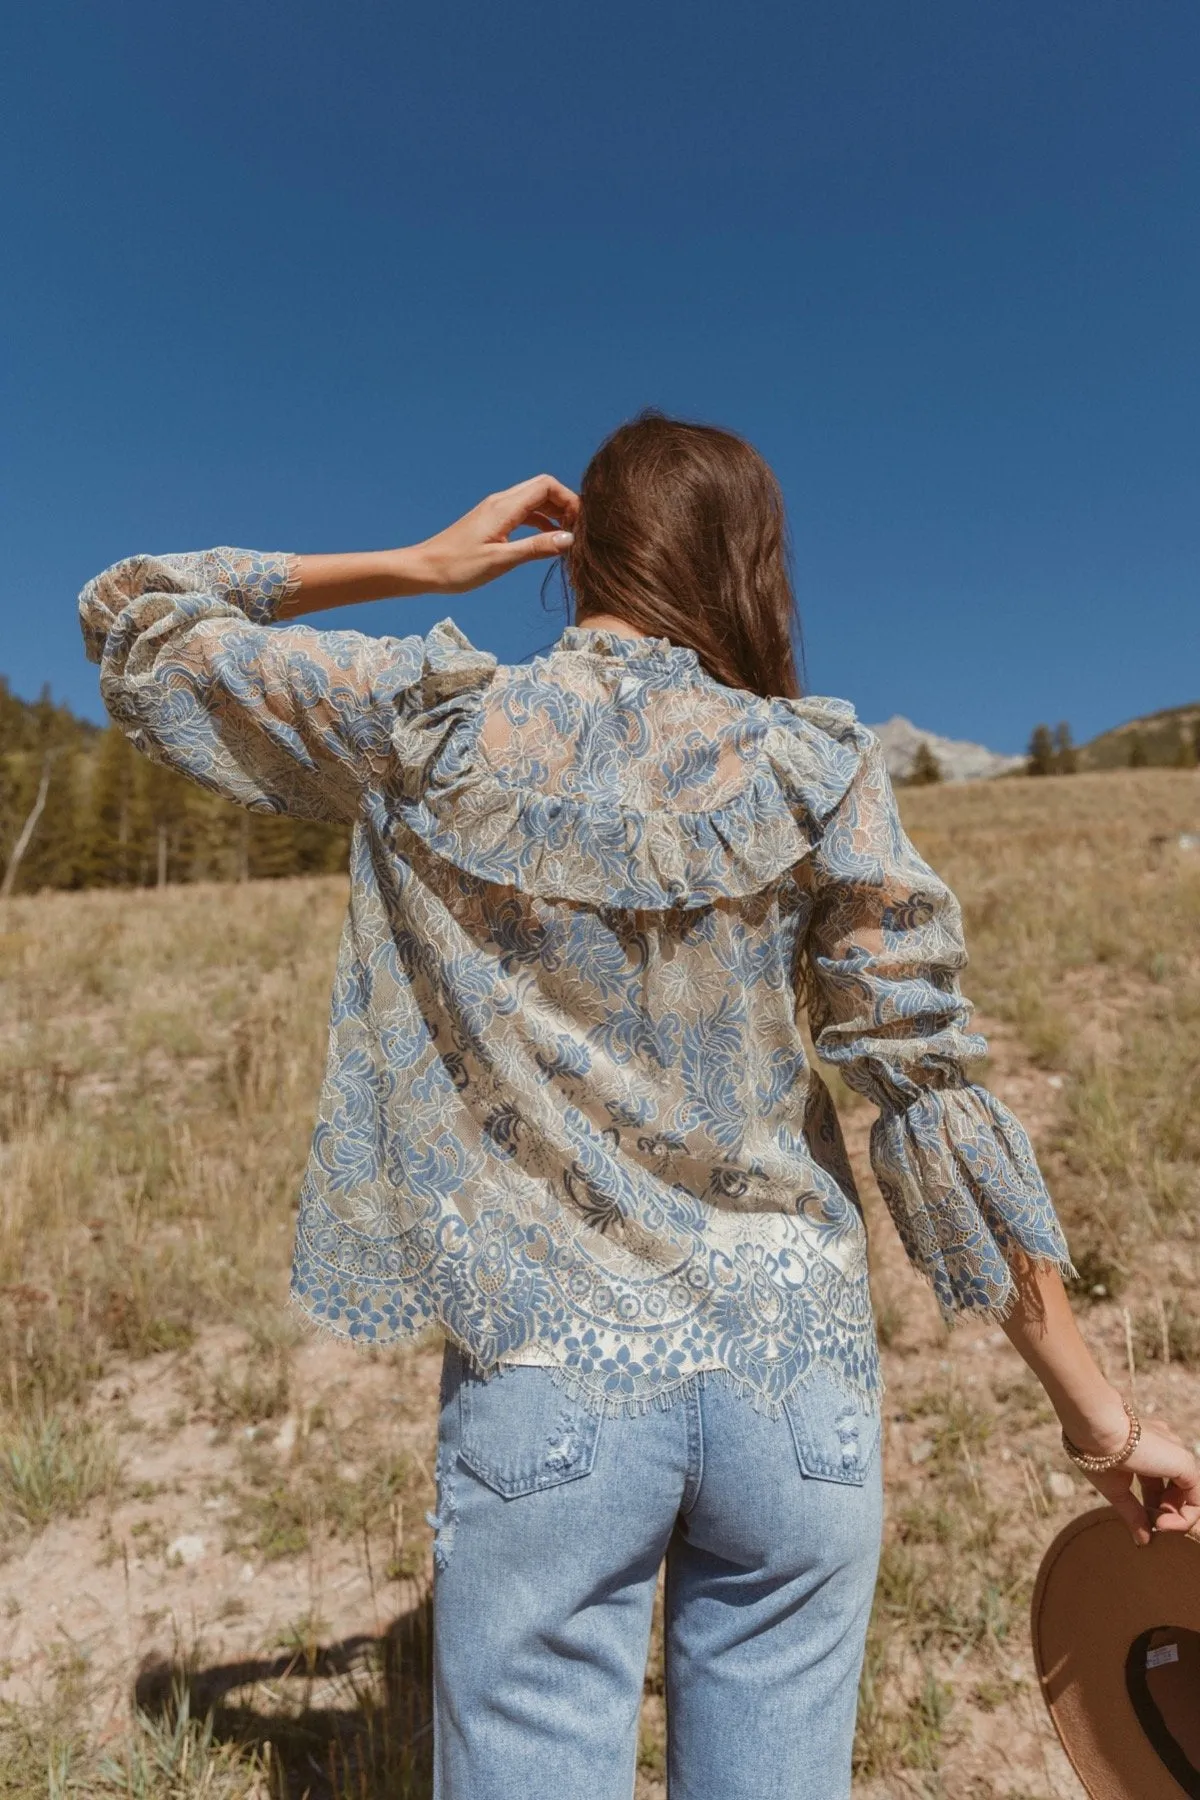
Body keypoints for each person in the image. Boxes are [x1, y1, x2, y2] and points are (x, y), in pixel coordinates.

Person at [79, 411, 1200, 1800]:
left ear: (578, 558)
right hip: (798, 1394)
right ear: (753, 566)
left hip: (551, 1376)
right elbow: (928, 1085)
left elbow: (135, 615)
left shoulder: (439, 724)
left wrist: (424, 566)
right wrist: (1097, 1416)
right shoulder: (815, 765)